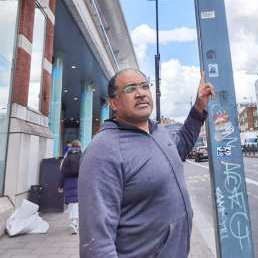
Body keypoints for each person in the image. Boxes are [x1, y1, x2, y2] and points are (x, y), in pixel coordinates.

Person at [78, 68, 215, 258]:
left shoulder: (158, 130)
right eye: (130, 88)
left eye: (144, 86)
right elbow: (96, 241)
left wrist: (199, 105)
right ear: (114, 103)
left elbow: (181, 145)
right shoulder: (103, 151)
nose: (141, 92)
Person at [58, 140, 82, 234]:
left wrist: (60, 186)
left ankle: (73, 221)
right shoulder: (82, 156)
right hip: (79, 183)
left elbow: (62, 173)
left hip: (68, 183)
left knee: (72, 203)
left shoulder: (66, 158)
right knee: (77, 202)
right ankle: (75, 222)